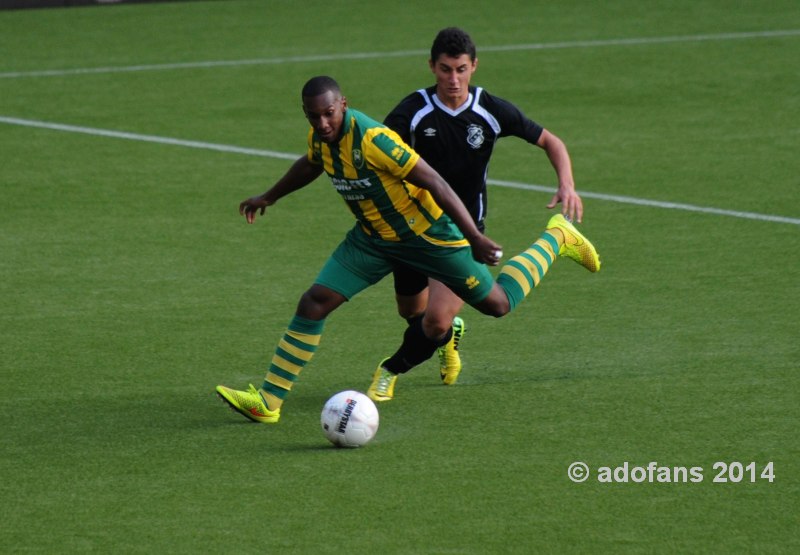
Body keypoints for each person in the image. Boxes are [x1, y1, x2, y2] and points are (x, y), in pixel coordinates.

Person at [216, 75, 600, 424]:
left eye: (329, 114)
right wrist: (270, 196)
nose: (322, 124)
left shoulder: (374, 139)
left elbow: (434, 181)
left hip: (428, 237)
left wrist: (474, 237)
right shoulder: (321, 138)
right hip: (372, 240)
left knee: (497, 304)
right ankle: (268, 401)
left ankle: (557, 238)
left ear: (344, 104)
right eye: (313, 117)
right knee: (315, 302)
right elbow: (312, 163)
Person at [367, 27, 588, 401]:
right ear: (432, 67)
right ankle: (449, 337)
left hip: (462, 232)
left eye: (461, 69)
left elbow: (551, 141)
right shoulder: (412, 112)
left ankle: (389, 371)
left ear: (474, 67)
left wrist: (566, 183)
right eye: (445, 69)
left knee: (434, 321)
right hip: (411, 230)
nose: (453, 79)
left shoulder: (490, 110)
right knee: (412, 314)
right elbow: (379, 156)